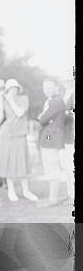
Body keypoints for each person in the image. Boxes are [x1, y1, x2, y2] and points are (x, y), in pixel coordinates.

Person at [0, 79, 38, 202]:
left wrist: (11, 100)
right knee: (8, 163)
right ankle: (11, 191)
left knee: (22, 163)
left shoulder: (24, 99)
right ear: (7, 90)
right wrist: (2, 102)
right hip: (6, 134)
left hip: (20, 135)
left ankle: (26, 191)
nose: (13, 90)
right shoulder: (5, 100)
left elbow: (19, 113)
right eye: (11, 88)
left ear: (18, 89)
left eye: (15, 88)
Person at [36, 80, 66, 208]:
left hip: (50, 135)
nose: (47, 89)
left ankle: (53, 199)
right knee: (50, 166)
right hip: (49, 134)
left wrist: (42, 118)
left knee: (51, 165)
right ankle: (52, 197)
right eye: (45, 87)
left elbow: (42, 118)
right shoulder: (51, 101)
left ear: (56, 88)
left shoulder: (56, 101)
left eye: (49, 87)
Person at [59, 76, 75, 207]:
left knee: (71, 166)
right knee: (66, 166)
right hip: (64, 135)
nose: (66, 82)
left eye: (69, 79)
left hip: (72, 134)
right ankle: (70, 194)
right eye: (64, 79)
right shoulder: (64, 94)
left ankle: (73, 196)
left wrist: (64, 114)